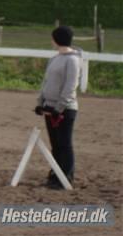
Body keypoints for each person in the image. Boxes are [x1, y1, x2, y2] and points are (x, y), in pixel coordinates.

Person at [34, 25, 81, 189]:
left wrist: (59, 107)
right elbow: (45, 83)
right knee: (55, 144)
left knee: (64, 143)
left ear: (57, 39)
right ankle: (55, 174)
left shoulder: (73, 60)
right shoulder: (54, 59)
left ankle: (66, 177)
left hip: (66, 109)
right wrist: (40, 103)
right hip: (50, 107)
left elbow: (70, 86)